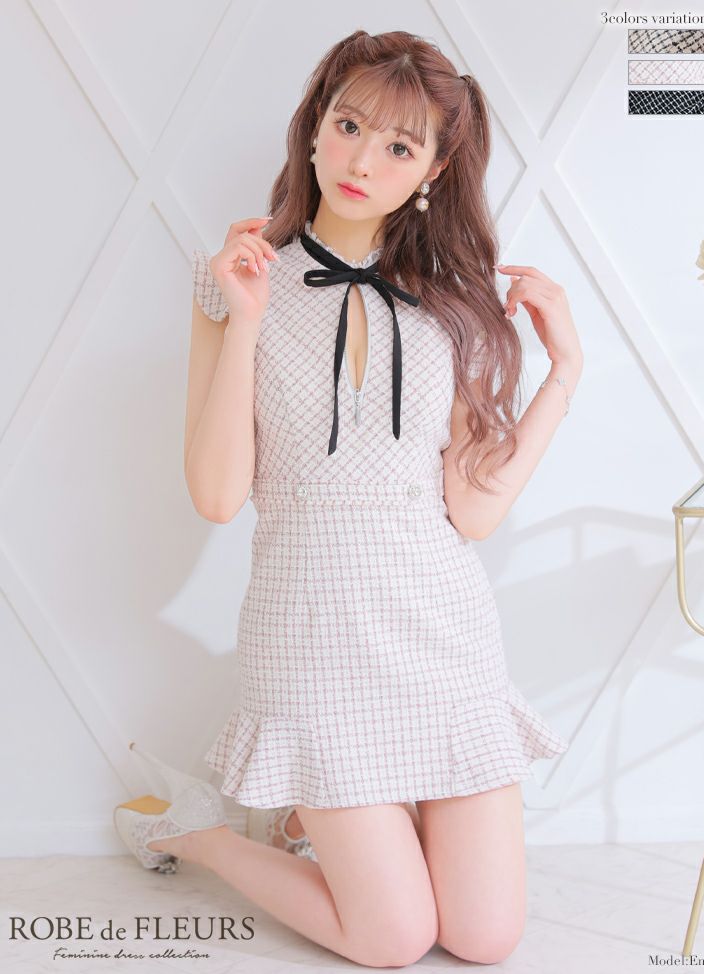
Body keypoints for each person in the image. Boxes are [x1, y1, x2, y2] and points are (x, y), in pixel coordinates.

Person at [113, 28, 583, 968]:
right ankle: (197, 833)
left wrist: (563, 372)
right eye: (348, 125)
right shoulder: (238, 279)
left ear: (435, 171)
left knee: (485, 936)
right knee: (393, 938)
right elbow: (217, 496)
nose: (362, 161)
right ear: (315, 128)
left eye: (399, 146)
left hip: (441, 631)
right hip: (310, 634)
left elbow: (473, 512)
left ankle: (317, 824)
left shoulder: (453, 302)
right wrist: (246, 321)